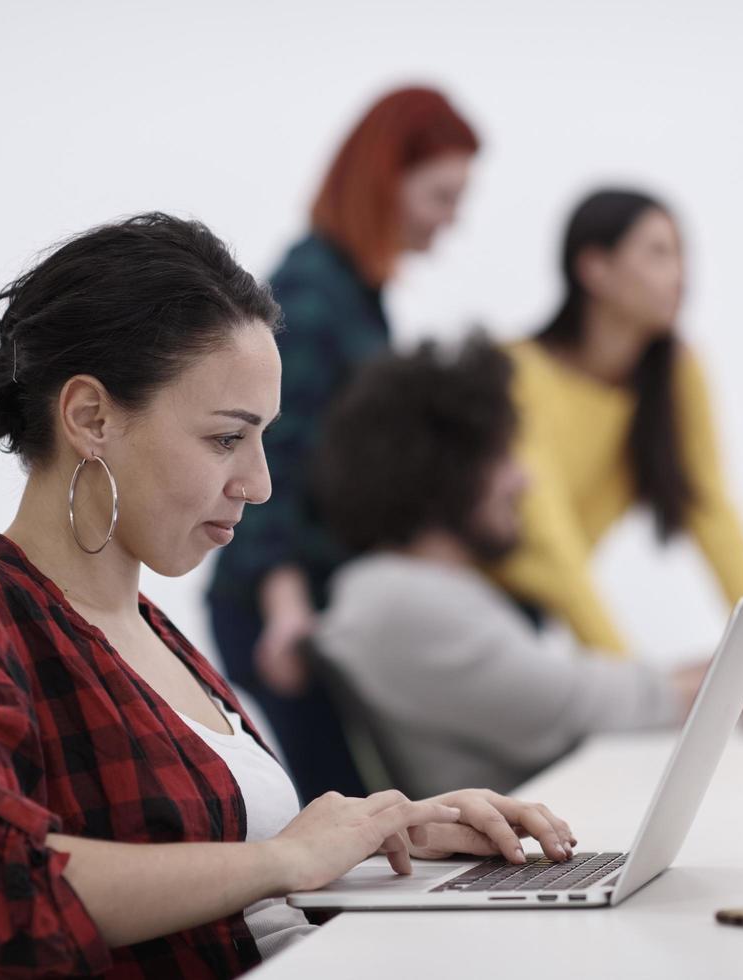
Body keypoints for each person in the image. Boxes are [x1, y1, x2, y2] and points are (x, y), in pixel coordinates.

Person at [0, 214, 577, 979]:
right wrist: (285, 858)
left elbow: (236, 880)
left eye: (264, 438)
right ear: (90, 418)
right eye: (224, 439)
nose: (260, 483)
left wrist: (384, 834)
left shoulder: (148, 628)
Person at [311, 339, 743, 799]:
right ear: (445, 466)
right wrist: (741, 683)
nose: (524, 480)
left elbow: (568, 688)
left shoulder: (417, 592)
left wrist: (719, 673)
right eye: (503, 457)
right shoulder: (399, 600)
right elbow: (576, 707)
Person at [206, 86, 480, 800]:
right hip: (276, 609)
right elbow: (273, 456)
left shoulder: (358, 293)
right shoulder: (312, 290)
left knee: (361, 807)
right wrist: (287, 607)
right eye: (441, 196)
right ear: (384, 180)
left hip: (310, 602)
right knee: (343, 809)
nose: (452, 221)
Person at [494, 189, 743, 690]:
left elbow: (712, 513)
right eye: (659, 253)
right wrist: (636, 688)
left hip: (534, 621)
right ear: (594, 268)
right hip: (473, 609)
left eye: (681, 254)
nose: (681, 275)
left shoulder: (676, 373)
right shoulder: (518, 372)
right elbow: (550, 539)